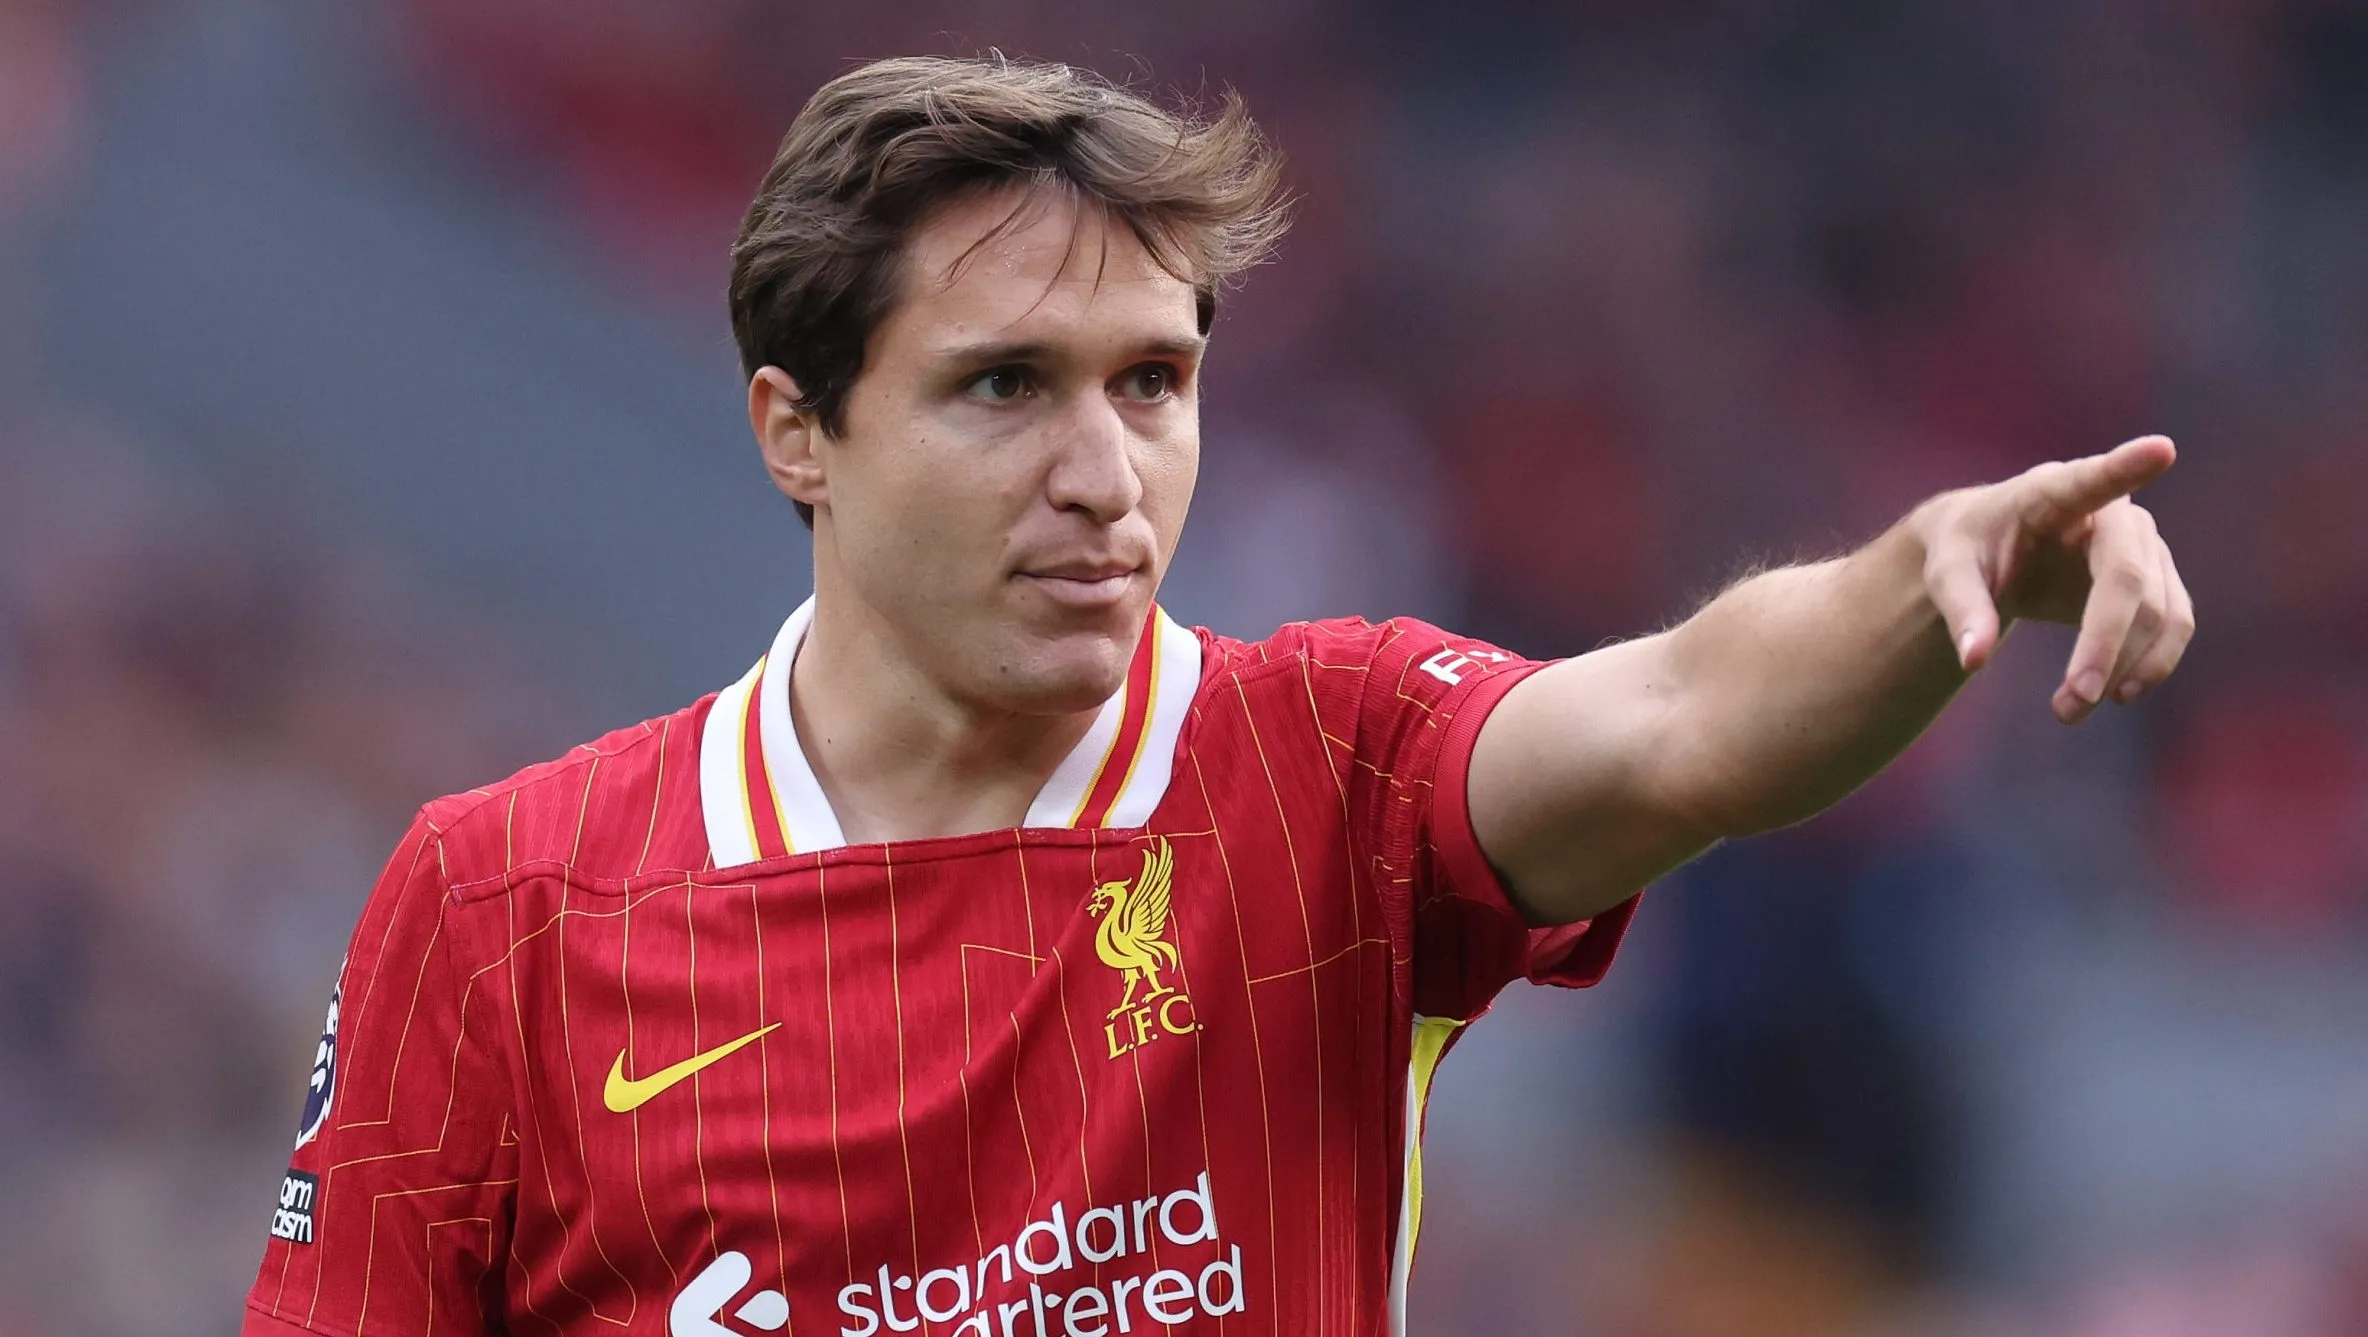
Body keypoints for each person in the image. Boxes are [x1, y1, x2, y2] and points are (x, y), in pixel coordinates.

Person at [238, 55, 2192, 1337]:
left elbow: (1678, 715)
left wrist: (1922, 575)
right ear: (797, 429)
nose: (1102, 468)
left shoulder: (1318, 764)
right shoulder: (503, 904)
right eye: (1003, 384)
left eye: (1149, 382)